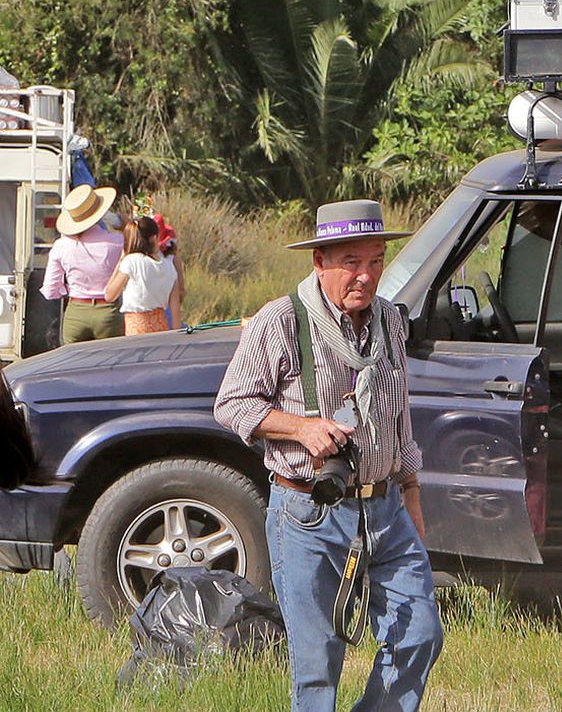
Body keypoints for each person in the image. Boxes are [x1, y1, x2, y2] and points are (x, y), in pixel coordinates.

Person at [214, 200, 441, 712]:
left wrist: (411, 494)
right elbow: (231, 404)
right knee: (317, 663)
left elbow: (398, 414)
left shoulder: (389, 320)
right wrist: (303, 428)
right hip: (306, 512)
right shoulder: (280, 320)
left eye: (376, 261)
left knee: (420, 635)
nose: (365, 275)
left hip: (384, 507)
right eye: (351, 262)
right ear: (319, 260)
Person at [40, 184, 125, 343]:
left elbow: (50, 290)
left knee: (73, 365)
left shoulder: (61, 246)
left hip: (77, 310)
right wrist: (121, 223)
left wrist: (67, 290)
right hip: (108, 311)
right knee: (110, 364)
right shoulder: (117, 242)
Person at [104, 216, 182, 335]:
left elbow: (109, 295)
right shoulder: (168, 266)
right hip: (161, 325)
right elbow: (175, 309)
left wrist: (121, 260)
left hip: (136, 327)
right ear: (155, 238)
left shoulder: (131, 262)